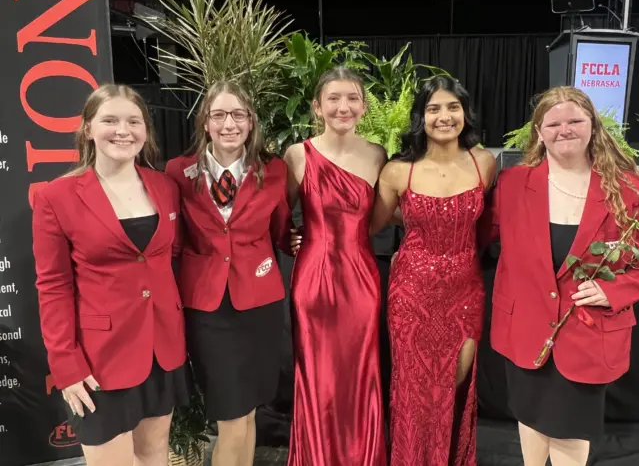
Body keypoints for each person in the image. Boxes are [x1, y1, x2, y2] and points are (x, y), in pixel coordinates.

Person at [480, 86, 639, 466]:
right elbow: (476, 235)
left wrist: (613, 291)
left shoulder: (630, 189)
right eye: (553, 123)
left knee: (569, 429)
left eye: (574, 120)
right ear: (539, 132)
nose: (564, 130)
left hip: (587, 333)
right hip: (523, 329)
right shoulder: (512, 184)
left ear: (593, 126)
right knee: (529, 417)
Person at [32, 84, 189, 466]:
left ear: (146, 130)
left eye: (134, 121)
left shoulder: (165, 187)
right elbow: (53, 287)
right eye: (110, 120)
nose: (123, 131)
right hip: (99, 360)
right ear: (88, 128)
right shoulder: (57, 197)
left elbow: (171, 258)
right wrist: (67, 366)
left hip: (161, 350)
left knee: (154, 454)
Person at [370, 76, 496, 466]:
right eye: (434, 109)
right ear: (420, 117)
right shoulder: (398, 171)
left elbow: (485, 223)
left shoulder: (484, 163)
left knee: (455, 383)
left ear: (465, 113)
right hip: (411, 294)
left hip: (465, 292)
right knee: (415, 393)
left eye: (453, 107)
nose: (444, 117)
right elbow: (372, 224)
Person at [165, 80, 291, 466]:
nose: (229, 124)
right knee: (232, 418)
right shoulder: (178, 172)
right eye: (218, 115)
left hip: (259, 305)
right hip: (208, 308)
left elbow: (280, 231)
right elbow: (173, 240)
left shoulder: (274, 170)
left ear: (251, 122)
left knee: (249, 413)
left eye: (238, 114)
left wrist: (298, 241)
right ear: (205, 122)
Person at [284, 67, 388, 466]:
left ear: (364, 107)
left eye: (352, 98)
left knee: (360, 373)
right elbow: (277, 216)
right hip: (314, 281)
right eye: (334, 98)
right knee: (318, 377)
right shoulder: (298, 155)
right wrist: (290, 237)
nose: (343, 107)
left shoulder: (378, 155)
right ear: (317, 106)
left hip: (361, 280)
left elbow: (381, 218)